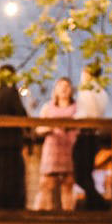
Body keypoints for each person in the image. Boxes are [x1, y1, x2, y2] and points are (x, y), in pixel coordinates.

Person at [0, 65, 27, 209]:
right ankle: (11, 206)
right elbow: (21, 115)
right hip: (11, 143)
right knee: (12, 176)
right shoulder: (12, 94)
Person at [35, 76, 77, 210]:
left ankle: (69, 215)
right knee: (46, 184)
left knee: (68, 184)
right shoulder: (47, 107)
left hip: (70, 150)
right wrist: (50, 127)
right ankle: (41, 215)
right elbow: (39, 129)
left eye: (67, 86)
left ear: (71, 90)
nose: (64, 89)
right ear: (55, 89)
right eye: (60, 86)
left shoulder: (77, 108)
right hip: (52, 151)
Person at [72, 63, 110, 210]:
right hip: (93, 134)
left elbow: (89, 113)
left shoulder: (88, 90)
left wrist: (75, 118)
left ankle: (98, 203)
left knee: (81, 174)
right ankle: (93, 202)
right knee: (85, 173)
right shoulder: (101, 91)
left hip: (86, 134)